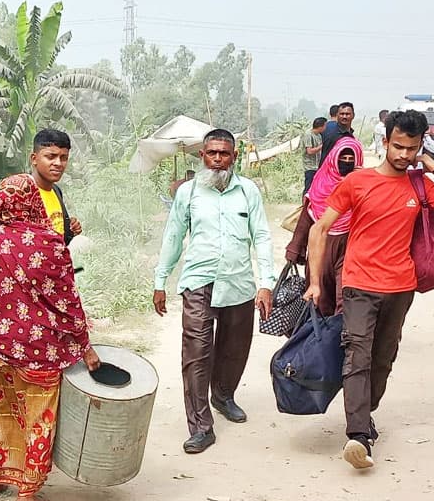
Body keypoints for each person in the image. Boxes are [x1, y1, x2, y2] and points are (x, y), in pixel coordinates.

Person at [304, 109, 434, 470]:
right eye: (398, 146)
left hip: (401, 287)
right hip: (359, 285)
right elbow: (320, 229)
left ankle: (366, 415)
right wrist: (316, 282)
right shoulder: (357, 183)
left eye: (412, 148)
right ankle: (358, 436)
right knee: (357, 356)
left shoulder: (418, 184)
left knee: (383, 360)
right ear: (385, 142)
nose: (404, 155)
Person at [0, 174, 99, 501]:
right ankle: (27, 496)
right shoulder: (50, 244)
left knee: (2, 416)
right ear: (32, 200)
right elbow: (68, 303)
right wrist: (84, 346)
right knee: (38, 420)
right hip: (40, 353)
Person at [153, 129, 275, 454]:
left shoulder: (248, 191)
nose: (218, 160)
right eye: (212, 153)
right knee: (196, 354)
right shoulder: (188, 193)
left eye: (224, 154)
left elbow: (261, 236)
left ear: (234, 157)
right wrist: (160, 280)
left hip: (239, 283)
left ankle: (223, 395)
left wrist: (267, 282)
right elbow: (174, 236)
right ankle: (201, 427)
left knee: (235, 350)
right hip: (198, 282)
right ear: (202, 156)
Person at [286, 137, 363, 316]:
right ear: (333, 159)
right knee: (319, 299)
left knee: (345, 298)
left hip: (350, 249)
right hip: (320, 250)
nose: (346, 163)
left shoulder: (363, 184)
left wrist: (361, 180)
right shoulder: (320, 184)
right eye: (342, 159)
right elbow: (307, 218)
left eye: (351, 161)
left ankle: (342, 338)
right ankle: (320, 339)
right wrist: (294, 249)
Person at [30, 129, 82, 245]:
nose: (58, 163)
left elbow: (60, 238)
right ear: (34, 159)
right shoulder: (23, 193)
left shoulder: (56, 190)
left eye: (63, 158)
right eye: (50, 157)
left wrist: (70, 229)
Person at [301, 118, 327, 195]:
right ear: (320, 127)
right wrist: (321, 146)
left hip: (317, 166)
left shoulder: (319, 136)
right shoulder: (308, 135)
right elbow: (309, 151)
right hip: (309, 166)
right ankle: (304, 205)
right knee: (308, 187)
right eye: (325, 126)